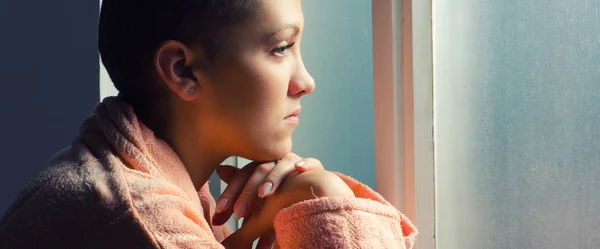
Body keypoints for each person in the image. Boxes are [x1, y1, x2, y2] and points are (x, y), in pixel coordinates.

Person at [0, 0, 417, 248]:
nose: (306, 82)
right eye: (281, 48)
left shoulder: (115, 173)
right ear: (182, 71)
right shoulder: (135, 216)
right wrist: (326, 197)